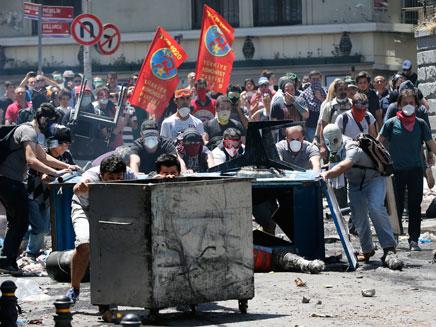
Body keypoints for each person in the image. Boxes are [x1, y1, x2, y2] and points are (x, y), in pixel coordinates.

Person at [0, 103, 74, 275]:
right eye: (52, 123)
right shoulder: (29, 132)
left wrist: (68, 167)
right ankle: (6, 261)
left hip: (9, 180)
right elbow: (32, 160)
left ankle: (6, 260)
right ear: (42, 119)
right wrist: (56, 173)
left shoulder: (32, 134)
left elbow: (43, 156)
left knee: (16, 221)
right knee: (20, 221)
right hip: (9, 180)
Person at [320, 124, 397, 262]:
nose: (332, 144)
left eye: (334, 140)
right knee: (358, 215)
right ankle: (367, 249)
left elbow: (344, 165)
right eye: (328, 141)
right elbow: (334, 165)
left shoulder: (351, 146)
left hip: (373, 179)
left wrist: (328, 173)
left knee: (375, 208)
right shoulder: (334, 151)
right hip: (355, 184)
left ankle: (389, 246)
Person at [66, 154, 137, 304]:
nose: (116, 181)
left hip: (111, 211)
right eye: (110, 177)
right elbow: (76, 189)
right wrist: (81, 187)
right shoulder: (90, 176)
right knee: (84, 243)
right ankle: (74, 289)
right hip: (85, 208)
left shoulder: (130, 175)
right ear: (101, 175)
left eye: (119, 177)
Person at [377, 88, 436, 251]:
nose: (408, 105)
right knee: (395, 207)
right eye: (405, 103)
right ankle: (393, 237)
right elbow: (378, 143)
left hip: (416, 170)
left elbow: (431, 144)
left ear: (416, 105)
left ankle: (414, 240)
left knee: (414, 206)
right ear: (399, 105)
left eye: (411, 103)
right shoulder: (391, 123)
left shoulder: (420, 124)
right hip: (396, 171)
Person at [26, 125, 77, 259]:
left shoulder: (67, 156)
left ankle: (34, 253)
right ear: (53, 142)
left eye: (67, 145)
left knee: (46, 229)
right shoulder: (43, 154)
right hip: (34, 196)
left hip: (50, 199)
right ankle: (30, 255)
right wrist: (59, 176)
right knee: (40, 228)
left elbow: (72, 172)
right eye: (61, 144)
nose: (64, 148)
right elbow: (45, 178)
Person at [300, 71, 326, 142]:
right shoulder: (304, 94)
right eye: (313, 79)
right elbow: (303, 111)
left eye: (317, 78)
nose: (315, 81)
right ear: (310, 80)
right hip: (310, 126)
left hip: (324, 125)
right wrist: (304, 127)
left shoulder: (326, 91)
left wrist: (321, 98)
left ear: (320, 79)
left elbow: (329, 106)